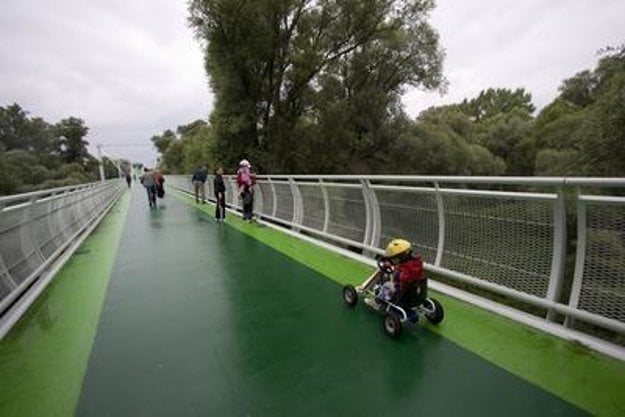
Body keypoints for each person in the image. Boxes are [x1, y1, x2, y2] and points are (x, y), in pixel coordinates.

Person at [379, 238, 425, 322]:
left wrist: (395, 271)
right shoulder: (417, 263)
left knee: (386, 285)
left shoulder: (401, 270)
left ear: (399, 257)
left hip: (403, 294)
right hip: (417, 293)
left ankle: (380, 300)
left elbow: (400, 281)